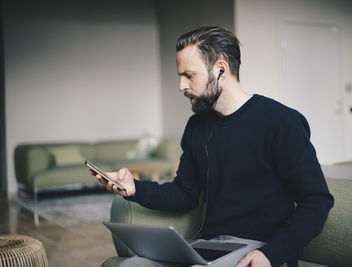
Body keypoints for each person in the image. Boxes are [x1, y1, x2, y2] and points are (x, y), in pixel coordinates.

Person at [90, 26, 334, 267]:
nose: (181, 86)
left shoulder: (281, 122)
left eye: (189, 75)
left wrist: (272, 254)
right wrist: (134, 188)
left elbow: (317, 200)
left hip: (261, 248)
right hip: (209, 244)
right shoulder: (197, 127)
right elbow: (184, 195)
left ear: (220, 69)